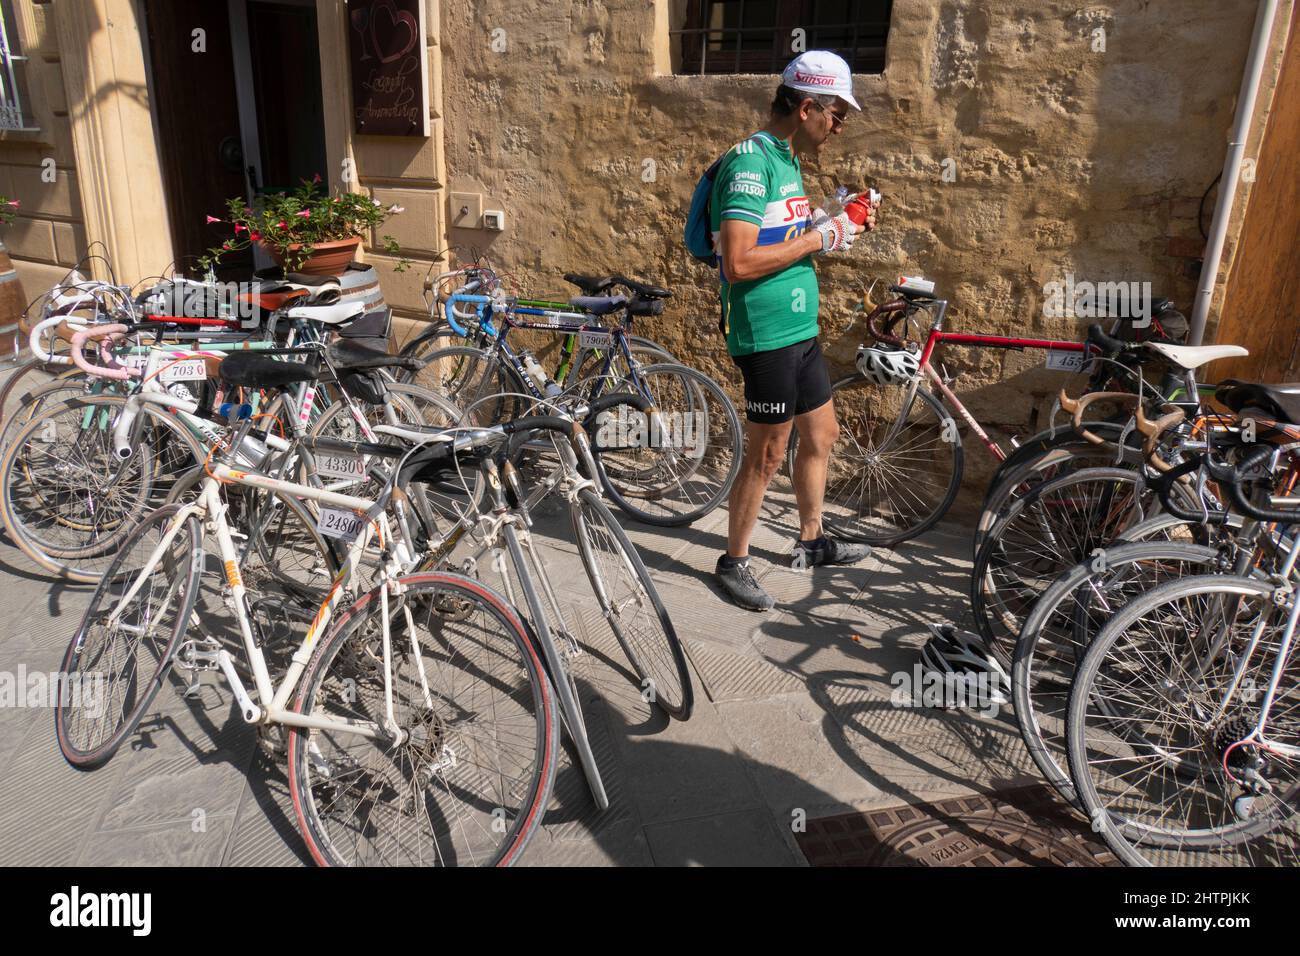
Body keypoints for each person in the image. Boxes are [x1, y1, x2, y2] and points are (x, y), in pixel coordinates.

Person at [710, 50, 877, 612]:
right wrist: (818, 240)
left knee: (822, 434)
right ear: (807, 107)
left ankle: (811, 541)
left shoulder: (787, 160)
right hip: (765, 331)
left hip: (800, 326)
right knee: (769, 451)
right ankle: (733, 560)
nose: (838, 127)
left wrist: (830, 220)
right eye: (836, 115)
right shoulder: (750, 165)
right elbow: (737, 263)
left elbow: (783, 233)